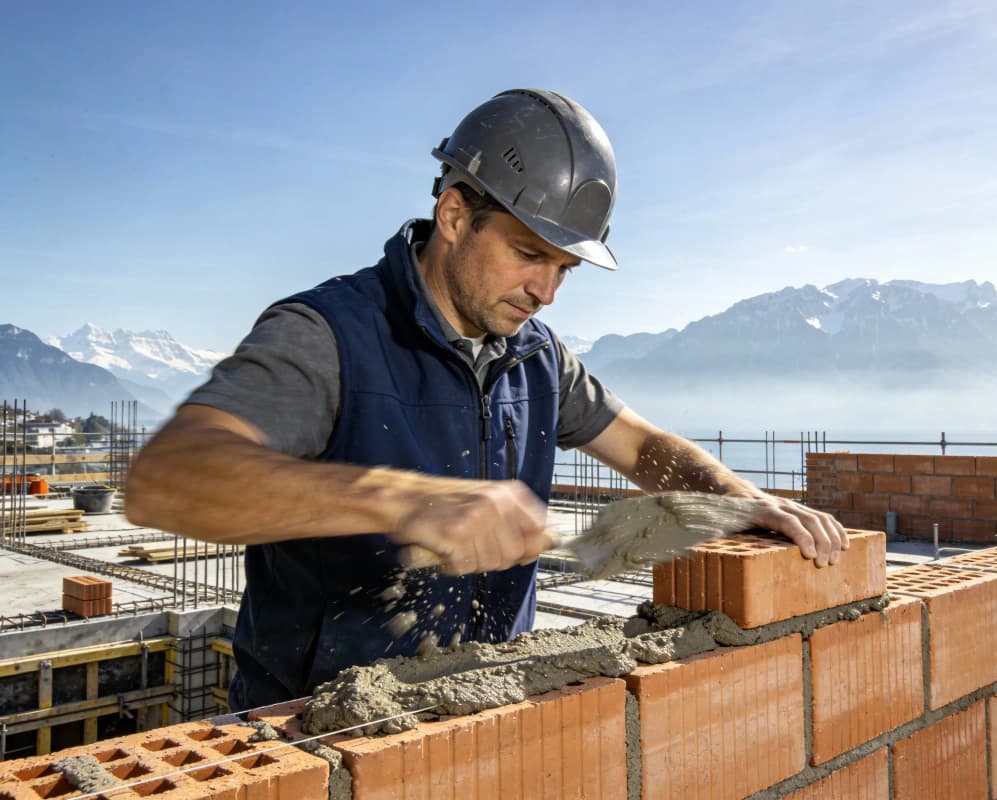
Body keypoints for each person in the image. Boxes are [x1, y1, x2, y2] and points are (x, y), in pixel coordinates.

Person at [125, 88, 849, 711]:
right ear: (452, 215)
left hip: (482, 717)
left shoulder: (538, 358)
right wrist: (404, 501)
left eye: (564, 267)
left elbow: (643, 446)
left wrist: (738, 499)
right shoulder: (328, 336)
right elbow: (169, 481)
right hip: (320, 732)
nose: (546, 291)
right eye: (529, 254)